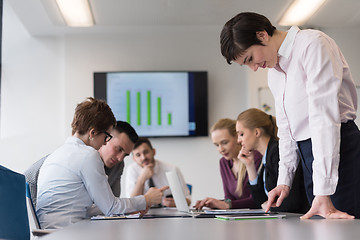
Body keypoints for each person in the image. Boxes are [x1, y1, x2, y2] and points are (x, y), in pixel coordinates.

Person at [220, 12, 360, 219]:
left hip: (338, 147)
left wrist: (323, 190)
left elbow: (324, 119)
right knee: (322, 228)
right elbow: (286, 129)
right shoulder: (275, 73)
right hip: (308, 155)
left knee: (343, 227)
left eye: (250, 59)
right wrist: (284, 181)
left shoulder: (312, 44)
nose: (254, 68)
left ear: (262, 35)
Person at [37, 98, 167, 229]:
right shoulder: (88, 155)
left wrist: (130, 207)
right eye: (106, 137)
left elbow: (86, 208)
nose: (105, 142)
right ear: (92, 133)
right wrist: (146, 199)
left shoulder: (55, 154)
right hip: (68, 232)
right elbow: (111, 207)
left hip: (49, 233)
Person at [236, 108, 309, 213]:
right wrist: (250, 166)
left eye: (241, 134)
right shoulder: (266, 156)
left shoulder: (277, 153)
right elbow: (260, 201)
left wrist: (270, 206)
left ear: (256, 132)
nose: (239, 140)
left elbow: (292, 201)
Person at [194, 118, 261, 210]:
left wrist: (226, 205)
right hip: (237, 218)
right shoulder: (224, 162)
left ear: (238, 138)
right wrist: (214, 203)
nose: (221, 149)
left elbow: (258, 200)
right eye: (216, 145)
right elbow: (229, 199)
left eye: (224, 143)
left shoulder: (255, 158)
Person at [125, 137, 190, 207]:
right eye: (138, 155)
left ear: (153, 152)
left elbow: (188, 200)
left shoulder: (172, 169)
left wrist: (176, 203)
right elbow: (131, 205)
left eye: (146, 152)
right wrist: (141, 179)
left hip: (168, 214)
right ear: (134, 159)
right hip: (143, 215)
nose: (143, 157)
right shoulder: (132, 170)